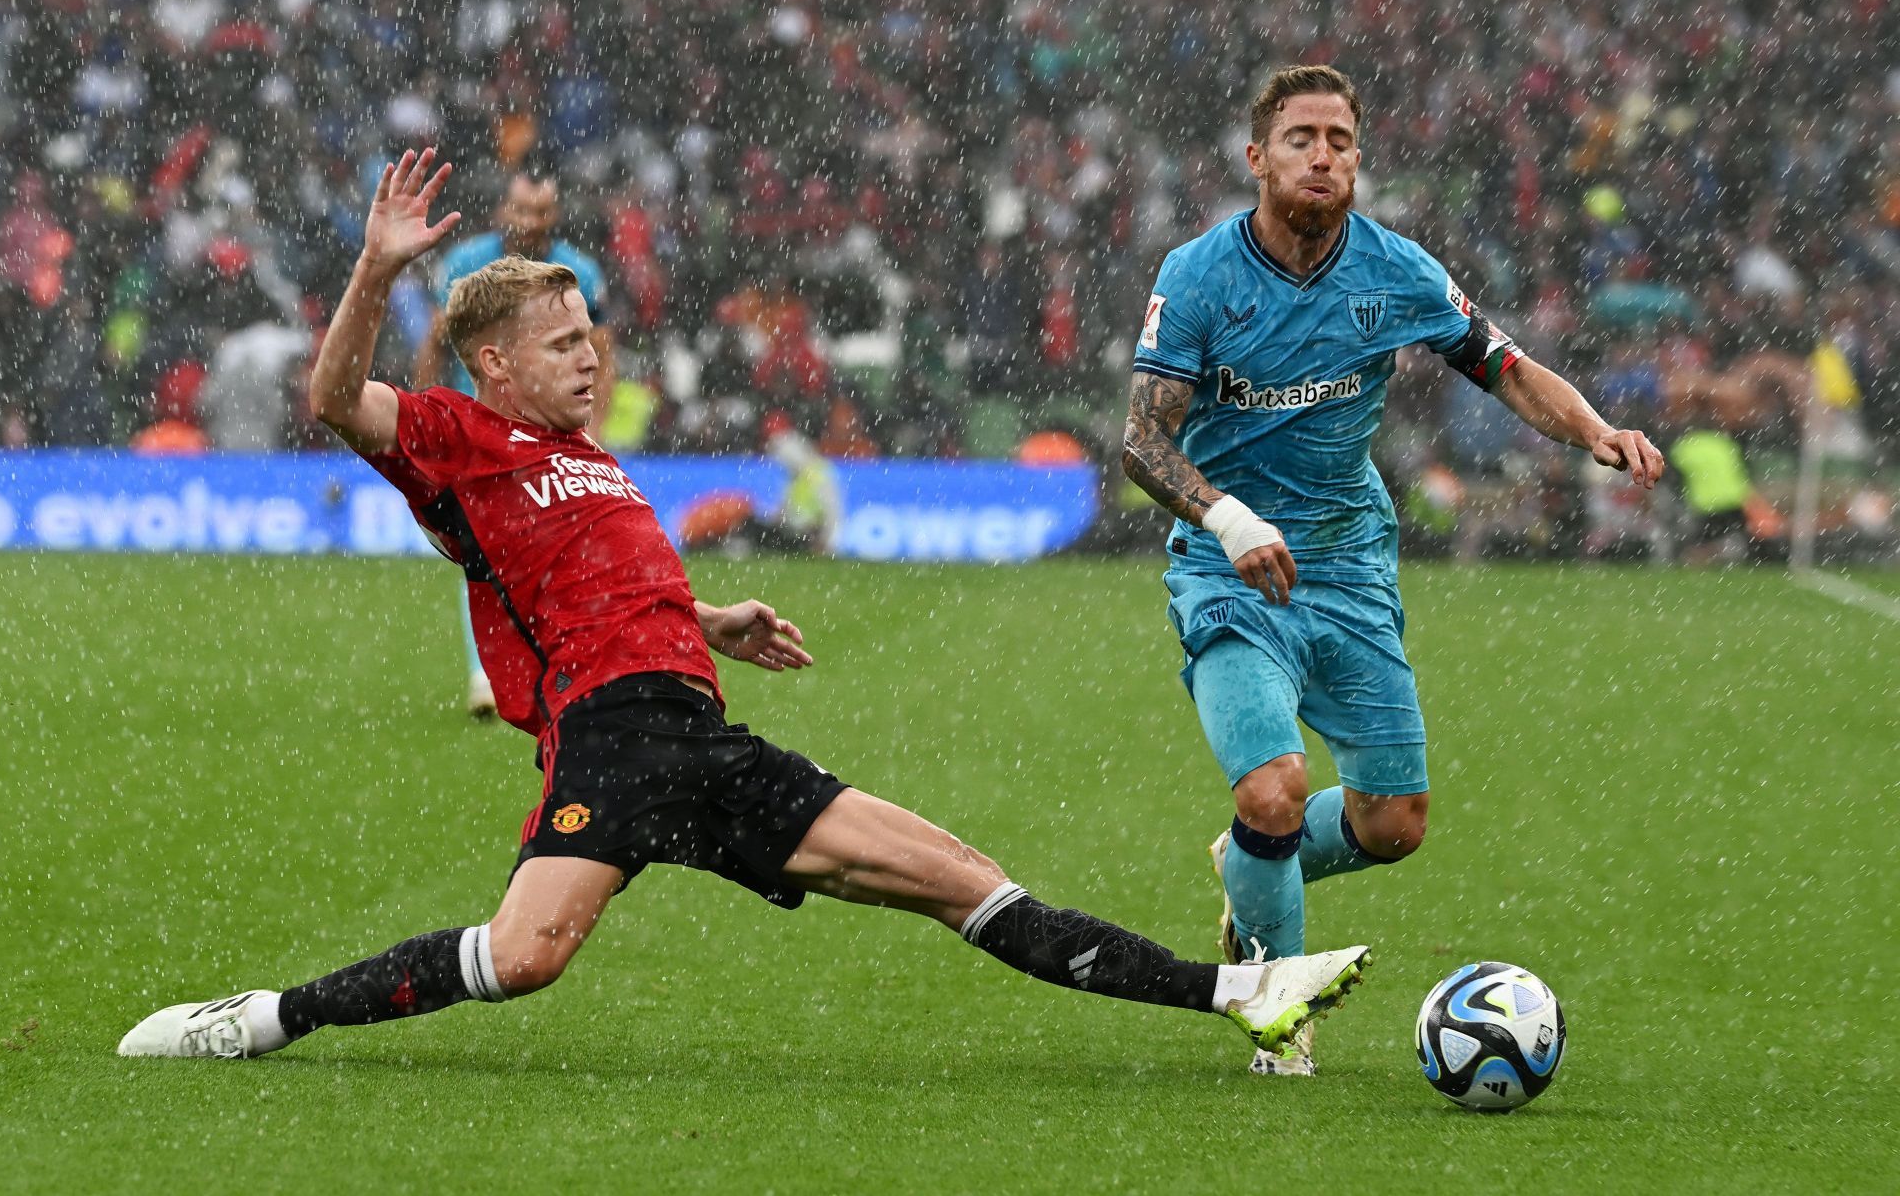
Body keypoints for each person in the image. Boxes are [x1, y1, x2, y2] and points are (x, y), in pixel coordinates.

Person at [117, 148, 1370, 1068]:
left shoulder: (591, 456)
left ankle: (1240, 995)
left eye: (590, 332)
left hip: (701, 735)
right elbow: (338, 401)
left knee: (961, 878)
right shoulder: (458, 432)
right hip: (611, 736)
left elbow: (592, 578)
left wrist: (704, 617)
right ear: (495, 362)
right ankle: (263, 1020)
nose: (590, 354)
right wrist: (374, 269)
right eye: (561, 341)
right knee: (522, 958)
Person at [1122, 67, 1663, 1076]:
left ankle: (1248, 858)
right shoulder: (1197, 277)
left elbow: (1502, 361)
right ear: (1257, 159)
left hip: (1350, 569)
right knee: (1277, 785)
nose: (1323, 155)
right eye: (1300, 138)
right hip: (1230, 573)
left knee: (1393, 824)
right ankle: (1279, 1019)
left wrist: (1592, 428)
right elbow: (1143, 445)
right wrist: (1231, 520)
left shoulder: (1398, 270)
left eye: (1340, 139)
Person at [412, 169, 614, 718]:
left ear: (555, 215)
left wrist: (594, 421)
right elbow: (435, 335)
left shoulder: (580, 273)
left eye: (541, 213)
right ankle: (491, 673)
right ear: (505, 210)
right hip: (477, 426)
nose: (530, 223)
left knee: (550, 547)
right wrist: (425, 406)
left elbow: (601, 348)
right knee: (483, 546)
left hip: (547, 425)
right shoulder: (465, 262)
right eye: (522, 211)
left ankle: (557, 663)